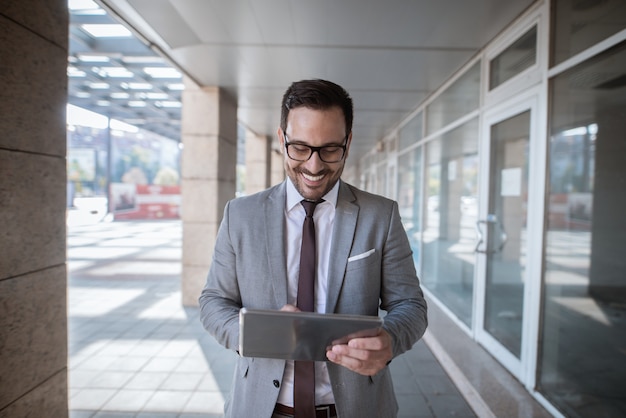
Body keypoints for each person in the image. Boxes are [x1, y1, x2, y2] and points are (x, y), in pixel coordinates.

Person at [199, 79, 428, 418]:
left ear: (348, 143)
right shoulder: (240, 215)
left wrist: (390, 341)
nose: (314, 166)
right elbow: (213, 301)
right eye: (300, 148)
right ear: (281, 139)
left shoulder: (382, 215)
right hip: (262, 407)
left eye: (330, 149)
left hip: (354, 407)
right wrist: (254, 336)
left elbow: (410, 305)